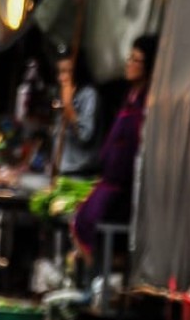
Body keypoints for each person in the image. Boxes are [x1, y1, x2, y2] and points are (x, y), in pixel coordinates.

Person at [71, 34, 159, 266]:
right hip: (108, 182)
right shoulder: (128, 99)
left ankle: (105, 280)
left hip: (123, 189)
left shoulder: (146, 105)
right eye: (130, 58)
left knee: (93, 219)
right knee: (81, 218)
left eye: (136, 60)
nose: (129, 64)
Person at [53, 47, 102, 177]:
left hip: (80, 174)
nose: (61, 78)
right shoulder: (62, 96)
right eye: (60, 72)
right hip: (62, 171)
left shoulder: (88, 95)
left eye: (66, 72)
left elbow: (85, 136)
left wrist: (69, 107)